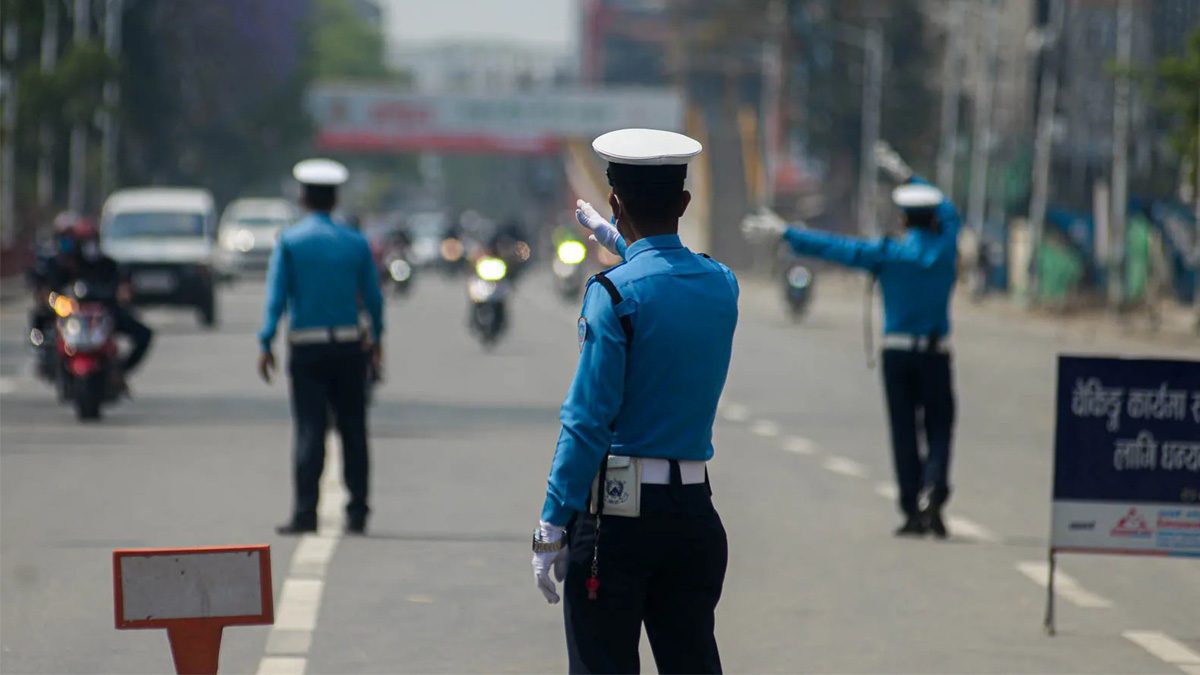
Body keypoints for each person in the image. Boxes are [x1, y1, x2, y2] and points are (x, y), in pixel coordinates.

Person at [531, 128, 739, 673]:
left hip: (617, 526)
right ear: (685, 202)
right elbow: (671, 273)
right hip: (693, 519)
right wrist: (623, 242)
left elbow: (585, 422)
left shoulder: (614, 294)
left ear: (615, 202)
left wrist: (551, 524)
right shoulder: (722, 284)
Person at [743, 142, 961, 539]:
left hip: (897, 353)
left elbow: (838, 248)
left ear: (902, 217)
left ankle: (912, 510)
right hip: (936, 355)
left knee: (903, 432)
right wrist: (909, 175)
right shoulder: (946, 248)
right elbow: (950, 212)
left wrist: (786, 232)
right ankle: (936, 489)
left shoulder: (888, 253)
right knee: (940, 427)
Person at [258, 159, 384, 536]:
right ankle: (358, 511)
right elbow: (373, 299)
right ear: (335, 198)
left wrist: (265, 342)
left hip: (307, 348)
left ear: (303, 197)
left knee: (310, 429)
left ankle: (305, 513)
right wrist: (377, 337)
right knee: (353, 429)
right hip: (348, 346)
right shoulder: (356, 242)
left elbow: (276, 298)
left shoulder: (291, 242)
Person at [28, 217, 154, 385]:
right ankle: (45, 359)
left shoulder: (105, 264)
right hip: (70, 312)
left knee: (143, 334)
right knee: (40, 319)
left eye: (90, 241)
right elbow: (44, 283)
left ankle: (119, 372)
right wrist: (44, 293)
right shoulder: (60, 264)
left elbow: (123, 281)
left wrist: (124, 291)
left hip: (102, 312)